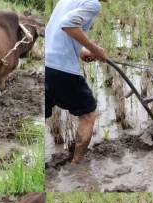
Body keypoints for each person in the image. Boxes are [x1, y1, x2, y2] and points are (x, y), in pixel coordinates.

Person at [45, 0, 107, 163]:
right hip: (62, 69)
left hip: (47, 66)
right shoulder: (93, 4)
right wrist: (95, 49)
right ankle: (76, 167)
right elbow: (67, 24)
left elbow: (59, 30)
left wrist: (81, 51)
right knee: (88, 116)